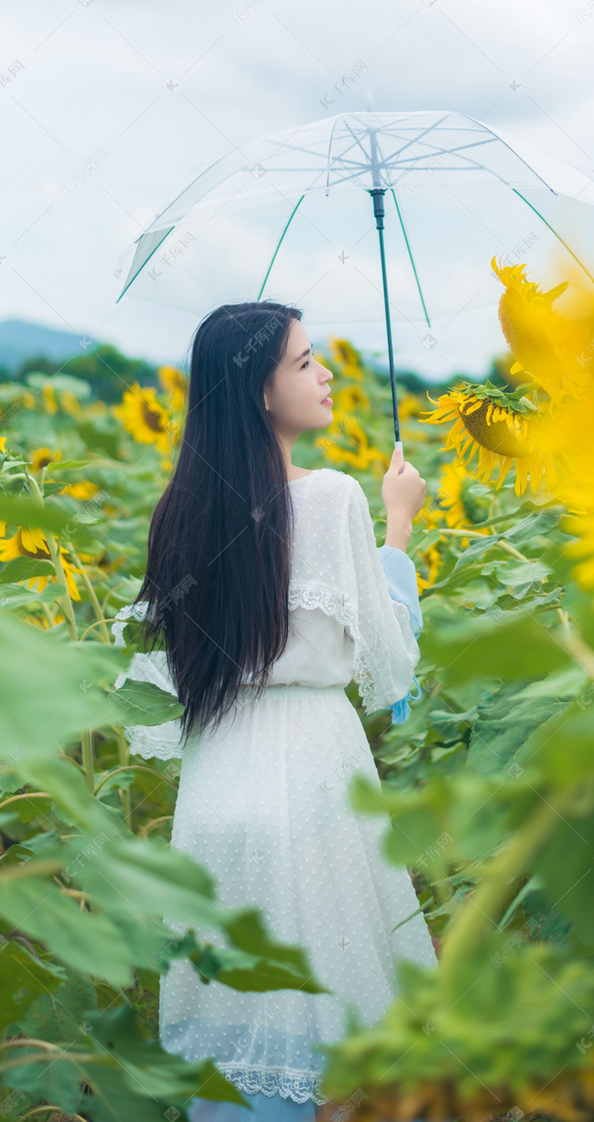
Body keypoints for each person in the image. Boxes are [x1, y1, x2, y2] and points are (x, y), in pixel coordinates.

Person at [111, 301, 438, 1121]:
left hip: (218, 784)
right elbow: (390, 660)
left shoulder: (179, 514)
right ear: (259, 391)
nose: (325, 374)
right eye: (303, 363)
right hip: (315, 777)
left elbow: (151, 695)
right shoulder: (333, 498)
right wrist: (400, 520)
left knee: (239, 1028)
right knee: (334, 1032)